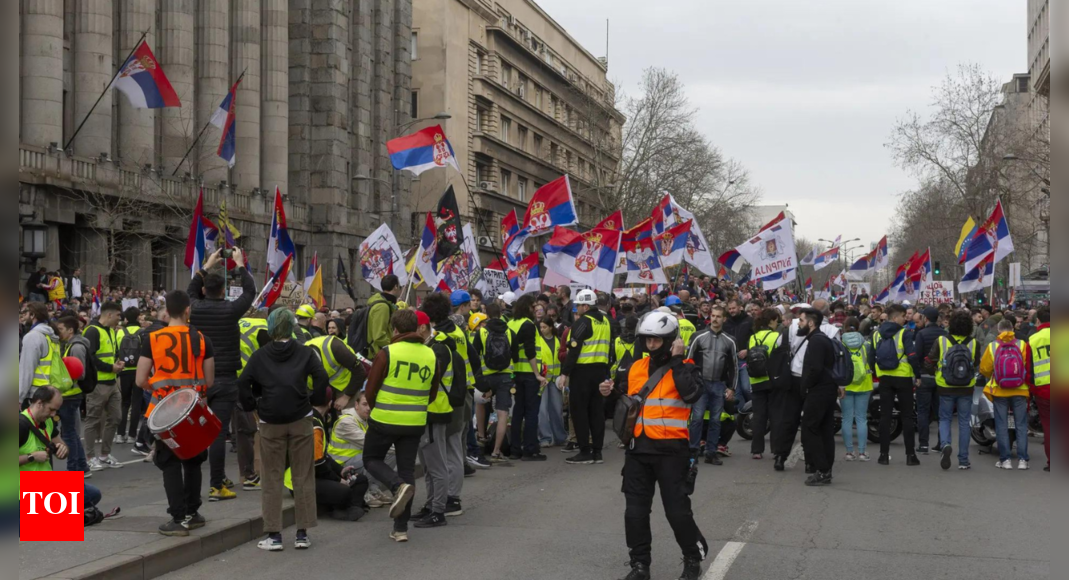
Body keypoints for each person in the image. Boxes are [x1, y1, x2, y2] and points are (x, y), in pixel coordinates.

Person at [606, 312, 707, 580]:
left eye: (657, 340)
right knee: (635, 513)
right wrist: (608, 391)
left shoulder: (685, 366)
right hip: (638, 450)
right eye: (648, 339)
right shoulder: (636, 367)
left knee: (677, 512)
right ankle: (639, 565)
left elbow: (692, 395)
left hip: (672, 452)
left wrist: (676, 361)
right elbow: (625, 401)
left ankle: (692, 559)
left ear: (671, 340)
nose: (651, 345)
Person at [236, 308, 327, 551]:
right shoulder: (305, 352)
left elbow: (243, 382)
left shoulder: (260, 355)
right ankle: (302, 532)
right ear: (291, 327)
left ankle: (274, 534)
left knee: (272, 475)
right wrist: (314, 400)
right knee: (303, 475)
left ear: (271, 327)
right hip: (301, 417)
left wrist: (252, 403)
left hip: (270, 421)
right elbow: (321, 377)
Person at [135, 290, 216, 537]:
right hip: (192, 409)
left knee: (169, 462)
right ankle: (193, 513)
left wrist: (158, 387)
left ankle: (177, 518)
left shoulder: (152, 338)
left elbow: (140, 380)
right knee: (192, 459)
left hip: (164, 411)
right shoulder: (202, 340)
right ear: (188, 310)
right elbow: (209, 381)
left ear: (166, 312)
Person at [362, 309, 442, 543]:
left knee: (371, 459)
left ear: (395, 330)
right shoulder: (430, 354)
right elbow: (432, 392)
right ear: (417, 329)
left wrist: (377, 409)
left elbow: (371, 389)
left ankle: (397, 487)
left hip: (385, 419)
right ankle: (400, 529)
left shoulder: (387, 352)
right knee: (407, 471)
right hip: (415, 421)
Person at [187, 248, 257, 502]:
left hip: (199, 379)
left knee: (202, 431)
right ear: (224, 291)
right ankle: (216, 485)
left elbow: (190, 291)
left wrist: (207, 265)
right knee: (218, 432)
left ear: (205, 290)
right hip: (226, 378)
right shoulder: (230, 310)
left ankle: (215, 478)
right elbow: (250, 292)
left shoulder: (194, 309)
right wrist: (239, 264)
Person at [412, 294, 469, 528]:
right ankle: (433, 503)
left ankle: (444, 506)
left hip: (440, 408)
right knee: (430, 463)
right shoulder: (440, 341)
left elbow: (427, 380)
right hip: (437, 408)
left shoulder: (440, 346)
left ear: (424, 327)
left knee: (442, 460)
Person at [284, 402, 368, 523]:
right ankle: (343, 508)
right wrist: (339, 480)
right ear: (329, 403)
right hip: (301, 481)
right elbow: (318, 464)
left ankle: (351, 508)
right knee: (344, 490)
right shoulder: (313, 424)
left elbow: (324, 456)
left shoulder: (317, 420)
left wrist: (341, 471)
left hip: (317, 475)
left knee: (360, 480)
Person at [924, 309, 982, 471]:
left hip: (945, 386)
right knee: (964, 422)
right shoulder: (974, 343)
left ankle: (945, 444)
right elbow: (976, 363)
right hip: (966, 387)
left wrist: (935, 372)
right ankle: (963, 460)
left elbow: (929, 362)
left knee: (944, 418)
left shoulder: (942, 340)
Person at [559, 289, 612, 466]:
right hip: (600, 372)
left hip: (582, 373)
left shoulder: (582, 322)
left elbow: (574, 350)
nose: (577, 309)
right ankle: (597, 452)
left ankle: (584, 451)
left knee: (579, 412)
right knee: (596, 412)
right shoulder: (606, 321)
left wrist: (565, 372)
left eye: (579, 305)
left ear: (585, 305)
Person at [686, 305, 738, 465]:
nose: (715, 319)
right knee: (697, 418)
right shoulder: (698, 336)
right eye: (713, 316)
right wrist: (691, 383)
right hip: (701, 383)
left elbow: (734, 366)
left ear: (724, 319)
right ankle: (693, 452)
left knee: (716, 420)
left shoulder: (730, 340)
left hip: (718, 384)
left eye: (718, 316)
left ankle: (711, 452)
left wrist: (732, 388)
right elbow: (688, 361)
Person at [797, 308, 841, 486]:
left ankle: (822, 470)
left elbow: (815, 369)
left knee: (810, 428)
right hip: (827, 390)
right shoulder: (821, 339)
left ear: (811, 322)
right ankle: (825, 469)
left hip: (819, 391)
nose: (798, 324)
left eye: (801, 320)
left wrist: (806, 386)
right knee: (824, 430)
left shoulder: (816, 341)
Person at [980, 319, 1032, 470]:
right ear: (1013, 329)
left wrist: (995, 375)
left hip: (999, 389)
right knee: (1021, 424)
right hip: (1020, 389)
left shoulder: (993, 346)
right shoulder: (1022, 345)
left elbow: (984, 369)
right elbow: (1027, 366)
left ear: (999, 330)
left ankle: (1005, 460)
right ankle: (1023, 460)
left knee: (1001, 425)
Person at [873, 304, 920, 467]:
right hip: (903, 378)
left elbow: (872, 357)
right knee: (906, 416)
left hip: (885, 378)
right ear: (895, 318)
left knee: (885, 416)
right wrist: (918, 375)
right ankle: (910, 455)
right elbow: (912, 356)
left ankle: (883, 455)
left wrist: (877, 372)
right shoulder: (904, 333)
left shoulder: (877, 334)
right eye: (902, 316)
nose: (905, 318)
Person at [330, 392, 396, 507]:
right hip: (341, 465)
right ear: (356, 405)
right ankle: (365, 493)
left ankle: (373, 490)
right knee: (378, 456)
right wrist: (398, 448)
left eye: (371, 404)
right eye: (365, 404)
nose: (369, 408)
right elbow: (372, 445)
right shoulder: (347, 422)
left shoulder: (365, 420)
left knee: (390, 454)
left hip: (356, 460)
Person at [83, 301, 126, 471]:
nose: (119, 319)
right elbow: (90, 357)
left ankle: (104, 454)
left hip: (112, 382)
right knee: (93, 421)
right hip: (97, 384)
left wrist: (116, 363)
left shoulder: (110, 331)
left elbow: (109, 354)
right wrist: (111, 367)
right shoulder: (92, 331)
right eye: (117, 315)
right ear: (109, 314)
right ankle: (89, 457)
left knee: (115, 417)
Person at [506, 295, 549, 461]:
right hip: (530, 375)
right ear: (528, 308)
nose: (535, 310)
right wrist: (537, 374)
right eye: (534, 307)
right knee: (532, 412)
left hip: (515, 373)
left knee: (518, 411)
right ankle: (530, 449)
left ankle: (515, 449)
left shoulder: (511, 323)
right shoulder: (528, 325)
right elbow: (531, 352)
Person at [472, 303, 514, 463]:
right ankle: (496, 451)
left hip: (487, 375)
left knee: (481, 404)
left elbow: (475, 356)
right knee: (503, 412)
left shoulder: (482, 331)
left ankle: (482, 438)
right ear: (501, 313)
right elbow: (514, 354)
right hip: (505, 376)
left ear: (486, 314)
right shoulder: (509, 331)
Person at [748, 308, 786, 462]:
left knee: (759, 417)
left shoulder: (753, 338)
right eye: (777, 321)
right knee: (775, 416)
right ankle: (776, 449)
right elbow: (781, 359)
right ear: (771, 321)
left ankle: (756, 450)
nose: (777, 324)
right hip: (772, 380)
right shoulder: (777, 336)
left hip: (756, 380)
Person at [54, 317, 91, 475]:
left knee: (68, 434)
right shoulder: (68, 344)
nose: (58, 332)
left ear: (70, 330)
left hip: (70, 394)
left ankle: (74, 469)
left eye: (61, 329)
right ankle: (82, 467)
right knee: (72, 433)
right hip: (69, 394)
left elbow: (80, 373)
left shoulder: (76, 347)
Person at [910, 307, 946, 454]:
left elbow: (917, 356)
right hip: (941, 378)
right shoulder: (945, 334)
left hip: (924, 377)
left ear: (925, 319)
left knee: (923, 411)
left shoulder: (921, 334)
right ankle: (941, 443)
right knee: (941, 413)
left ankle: (923, 444)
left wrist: (917, 375)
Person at [841, 319, 875, 462]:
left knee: (847, 418)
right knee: (862, 418)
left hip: (845, 384)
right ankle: (862, 452)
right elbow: (872, 363)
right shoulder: (866, 345)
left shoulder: (841, 345)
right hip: (864, 384)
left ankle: (849, 452)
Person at [19, 387, 71, 474]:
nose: (53, 414)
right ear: (39, 403)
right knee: (84, 487)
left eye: (56, 411)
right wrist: (32, 456)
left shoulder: (48, 421)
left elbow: (63, 452)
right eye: (51, 409)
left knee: (88, 487)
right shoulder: (20, 424)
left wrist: (63, 450)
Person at [18, 303, 60, 407]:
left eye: (25, 312)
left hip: (35, 395)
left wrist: (19, 397)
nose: (22, 316)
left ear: (33, 315)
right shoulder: (51, 335)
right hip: (50, 390)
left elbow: (27, 370)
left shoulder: (32, 337)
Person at [351, 274, 401, 358]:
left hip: (378, 352)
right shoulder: (382, 307)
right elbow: (379, 336)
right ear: (395, 286)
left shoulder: (383, 304)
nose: (400, 289)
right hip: (377, 354)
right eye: (400, 286)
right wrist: (395, 346)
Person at [116, 307, 146, 445]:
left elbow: (116, 350)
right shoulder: (142, 332)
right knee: (136, 402)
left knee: (124, 402)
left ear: (126, 319)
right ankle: (132, 435)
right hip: (139, 369)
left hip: (124, 369)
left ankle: (120, 434)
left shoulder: (120, 332)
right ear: (138, 317)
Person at [1027, 307, 1050, 471]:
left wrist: (1031, 390)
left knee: (1049, 427)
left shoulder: (1033, 339)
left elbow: (1029, 368)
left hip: (1043, 391)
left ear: (1038, 321)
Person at [537, 318, 567, 447]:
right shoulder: (537, 341)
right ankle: (545, 438)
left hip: (555, 380)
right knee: (542, 410)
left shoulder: (558, 341)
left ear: (550, 327)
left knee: (557, 408)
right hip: (542, 380)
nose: (542, 329)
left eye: (544, 327)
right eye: (541, 327)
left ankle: (560, 437)